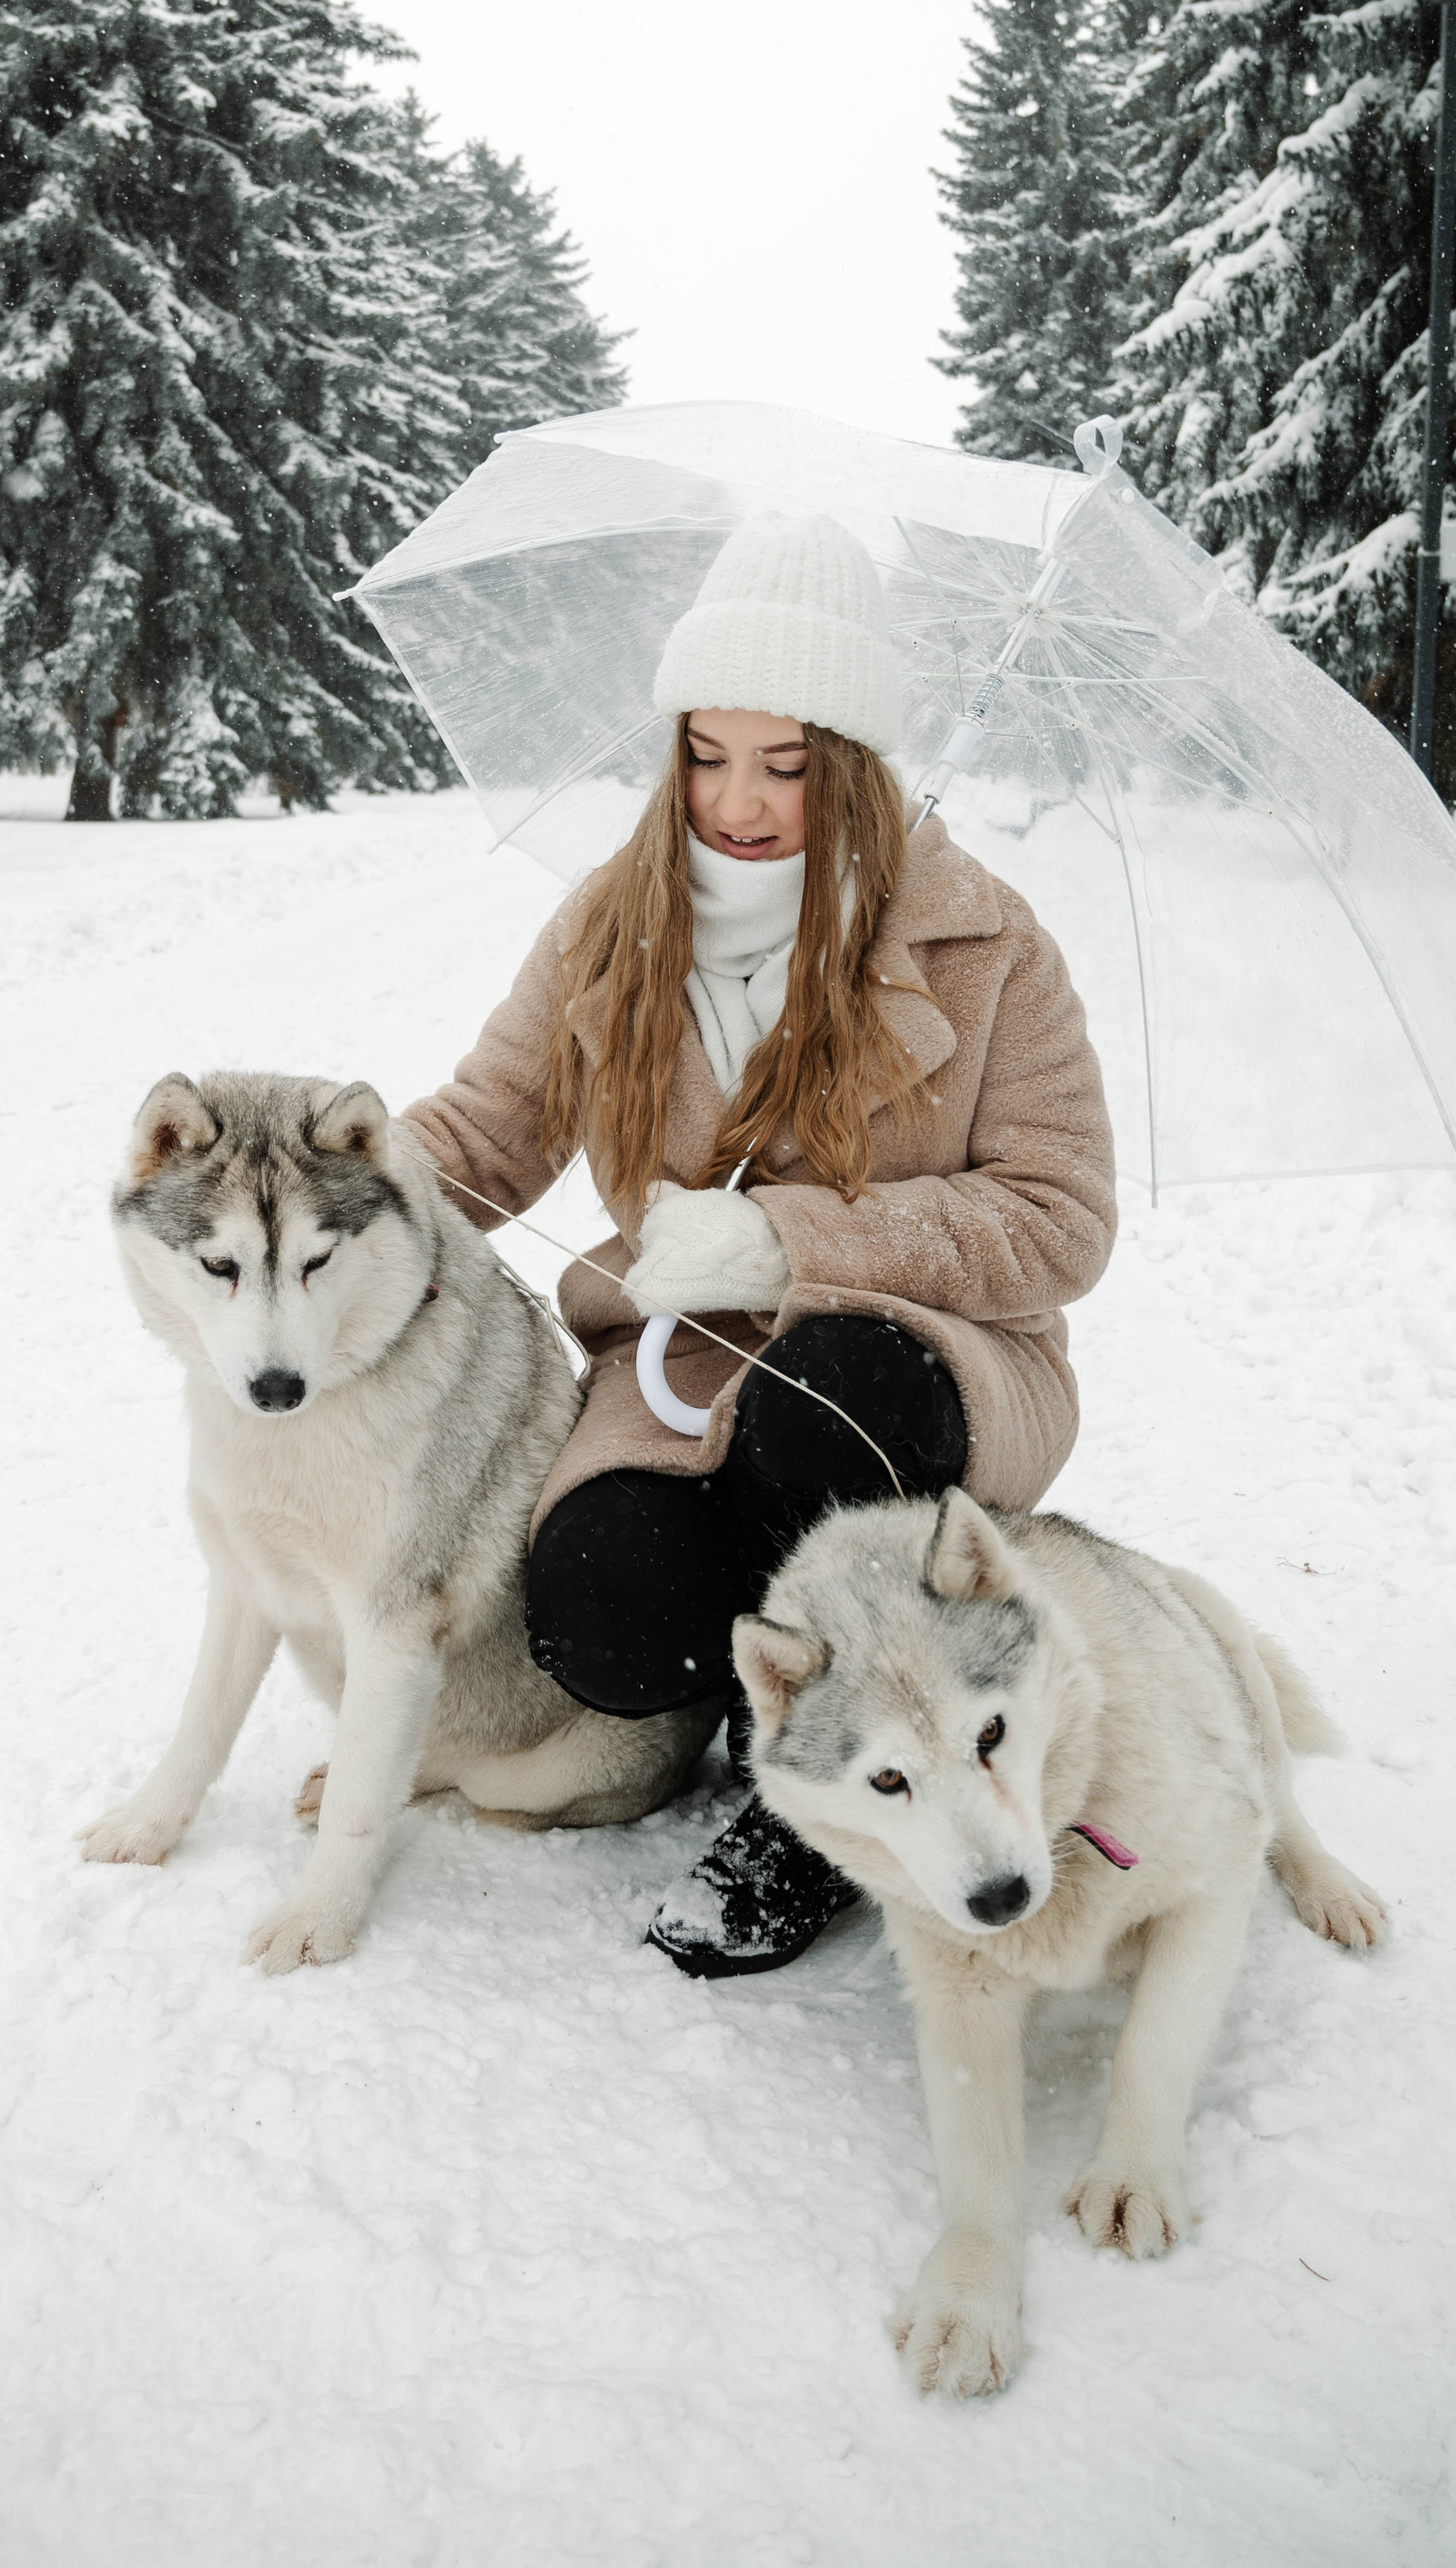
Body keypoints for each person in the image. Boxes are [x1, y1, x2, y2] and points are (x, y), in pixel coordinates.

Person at [403, 512, 1116, 1977]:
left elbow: (1058, 1217)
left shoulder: (990, 950)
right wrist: (315, 1196)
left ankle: (821, 1817)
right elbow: (480, 1137)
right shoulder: (608, 926)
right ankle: (764, 1684)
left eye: (785, 766)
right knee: (602, 1620)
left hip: (919, 1357)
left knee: (828, 1401)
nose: (735, 801)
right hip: (676, 1361)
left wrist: (785, 1242)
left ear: (849, 767)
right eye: (706, 755)